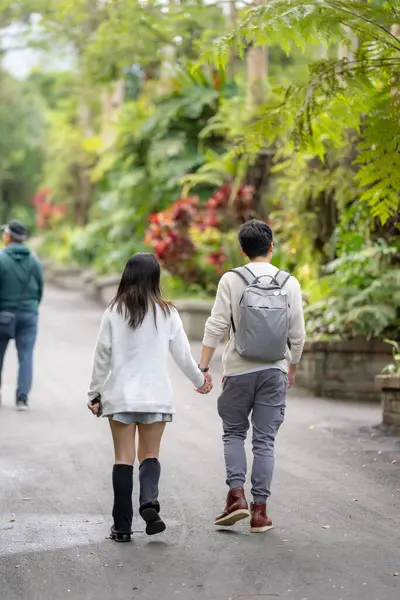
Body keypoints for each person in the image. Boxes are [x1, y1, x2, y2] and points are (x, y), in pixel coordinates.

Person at [87, 252, 212, 542]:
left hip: (119, 397)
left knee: (123, 458)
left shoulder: (114, 311)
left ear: (127, 275)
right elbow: (182, 354)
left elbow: (101, 356)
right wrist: (199, 381)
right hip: (156, 396)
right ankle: (148, 502)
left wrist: (94, 393)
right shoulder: (168, 313)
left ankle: (121, 528)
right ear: (155, 278)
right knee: (150, 454)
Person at [198, 219, 305, 533]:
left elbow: (216, 326)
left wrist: (203, 366)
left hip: (238, 370)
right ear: (271, 248)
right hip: (274, 370)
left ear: (243, 250)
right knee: (265, 442)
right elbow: (297, 335)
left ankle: (236, 497)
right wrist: (292, 369)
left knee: (233, 433)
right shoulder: (290, 282)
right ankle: (260, 513)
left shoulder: (232, 279)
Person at [0, 220, 44, 411]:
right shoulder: (34, 260)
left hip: (3, 315)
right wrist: (31, 307)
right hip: (29, 314)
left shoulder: (1, 259)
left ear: (8, 236)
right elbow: (40, 287)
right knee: (26, 356)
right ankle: (22, 398)